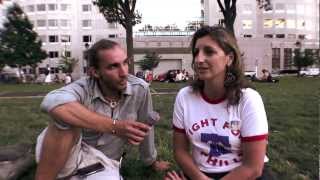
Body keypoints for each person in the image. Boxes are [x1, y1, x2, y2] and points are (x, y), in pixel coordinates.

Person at [35, 39, 170, 180]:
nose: (124, 72)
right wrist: (115, 127)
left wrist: (151, 161)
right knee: (64, 119)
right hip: (68, 152)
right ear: (95, 72)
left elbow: (145, 128)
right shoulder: (84, 88)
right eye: (113, 66)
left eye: (125, 63)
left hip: (103, 162)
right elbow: (52, 101)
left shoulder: (139, 89)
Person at [165, 26, 269, 180]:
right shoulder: (185, 97)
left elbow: (253, 168)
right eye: (196, 52)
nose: (199, 59)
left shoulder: (248, 99)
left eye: (209, 52)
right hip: (200, 174)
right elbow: (180, 151)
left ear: (229, 58)